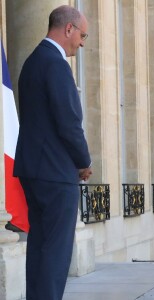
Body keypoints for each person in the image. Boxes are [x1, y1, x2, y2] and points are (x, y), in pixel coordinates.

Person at [13, 5, 92, 300]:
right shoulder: (56, 64)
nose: (82, 43)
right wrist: (84, 162)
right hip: (56, 172)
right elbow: (69, 123)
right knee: (56, 254)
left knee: (40, 247)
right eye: (82, 35)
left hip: (34, 169)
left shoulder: (33, 60)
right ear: (68, 29)